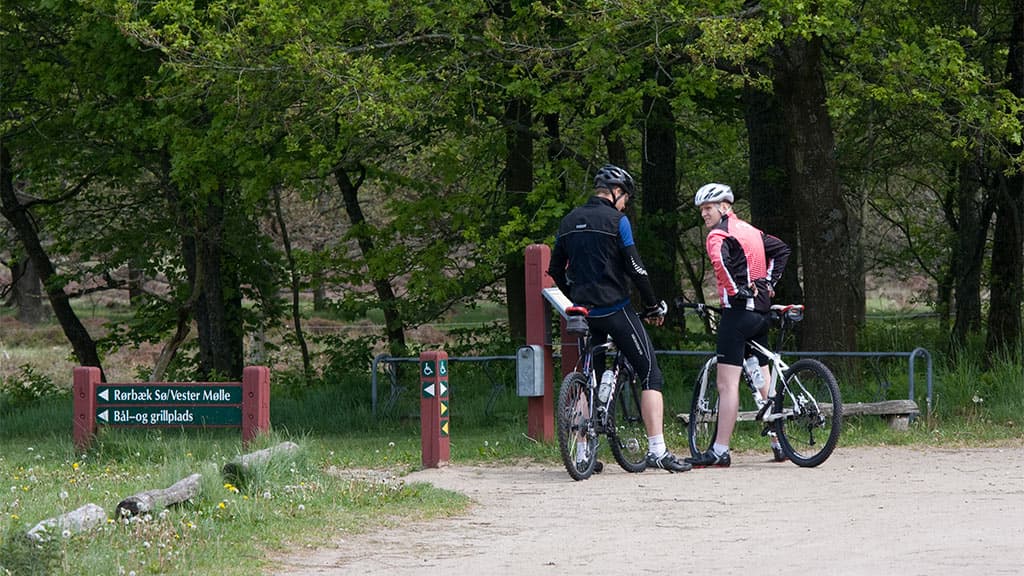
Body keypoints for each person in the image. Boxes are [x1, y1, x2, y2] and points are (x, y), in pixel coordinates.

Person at [548, 164, 691, 473]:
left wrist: (574, 297)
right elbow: (636, 268)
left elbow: (556, 269)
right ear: (616, 193)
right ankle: (657, 450)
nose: (625, 203)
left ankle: (583, 452)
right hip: (615, 308)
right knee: (650, 373)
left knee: (589, 379)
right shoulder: (618, 220)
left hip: (583, 312)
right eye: (625, 197)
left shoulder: (569, 220)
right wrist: (653, 305)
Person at [686, 183, 791, 467]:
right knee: (762, 377)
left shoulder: (717, 235)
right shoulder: (751, 231)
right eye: (702, 210)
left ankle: (720, 450)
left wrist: (735, 290)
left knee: (726, 384)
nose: (704, 215)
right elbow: (781, 250)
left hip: (737, 314)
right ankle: (779, 443)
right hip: (761, 315)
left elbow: (720, 265)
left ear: (724, 207)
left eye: (708, 208)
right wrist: (769, 283)